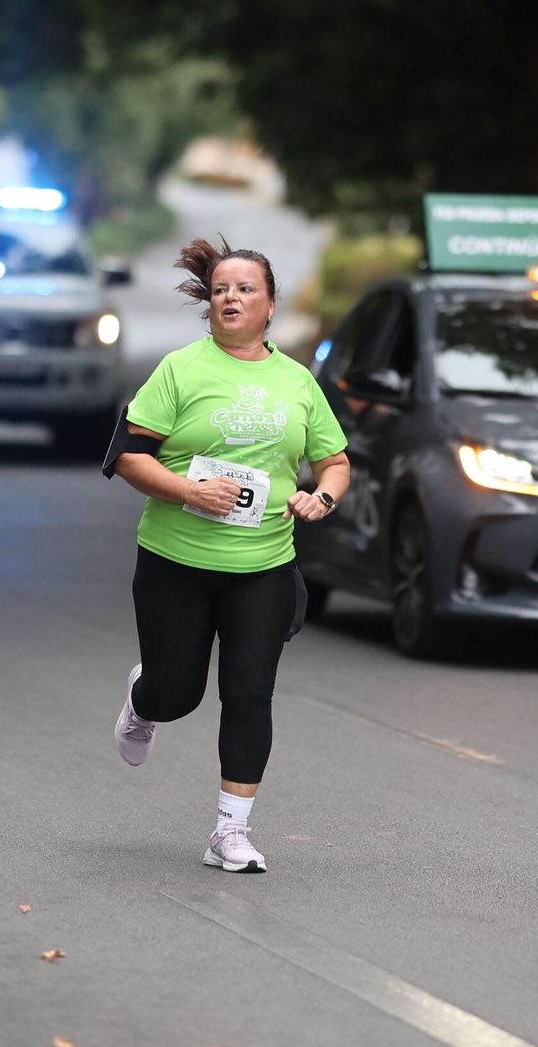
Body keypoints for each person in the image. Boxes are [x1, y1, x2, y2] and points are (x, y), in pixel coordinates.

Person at [106, 235, 351, 873]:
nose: (230, 298)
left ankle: (230, 832)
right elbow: (128, 457)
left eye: (245, 289)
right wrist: (190, 490)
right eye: (220, 290)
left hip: (262, 565)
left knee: (249, 694)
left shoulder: (297, 381)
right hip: (176, 562)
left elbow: (334, 461)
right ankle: (144, 701)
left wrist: (321, 498)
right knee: (176, 693)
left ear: (270, 305)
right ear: (209, 303)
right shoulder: (180, 370)